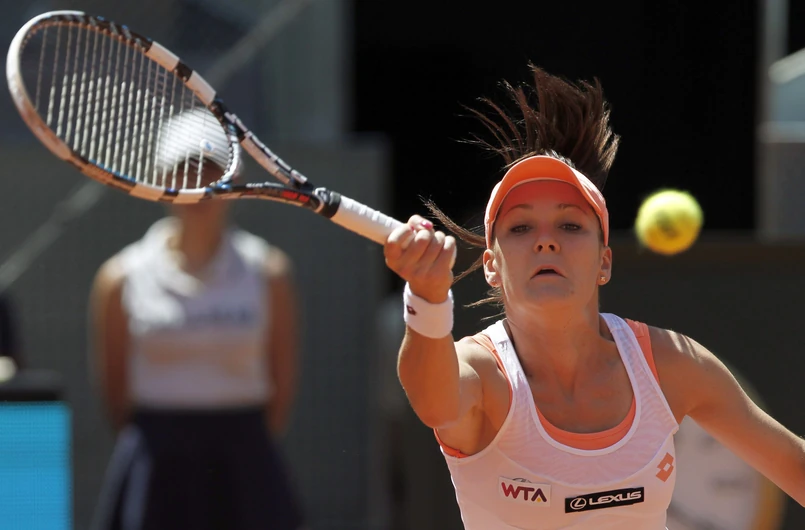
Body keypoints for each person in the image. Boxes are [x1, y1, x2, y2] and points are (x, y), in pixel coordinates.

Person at [383, 64, 805, 529]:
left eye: (570, 225)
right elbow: (434, 404)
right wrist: (427, 297)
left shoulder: (673, 364)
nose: (546, 241)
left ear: (604, 262)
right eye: (521, 228)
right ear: (491, 267)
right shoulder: (483, 372)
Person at [88, 109, 305, 530]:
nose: (201, 186)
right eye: (186, 171)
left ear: (234, 183)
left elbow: (281, 386)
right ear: (162, 181)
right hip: (157, 467)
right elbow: (115, 394)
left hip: (245, 468)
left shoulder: (269, 273)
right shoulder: (120, 278)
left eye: (212, 171)